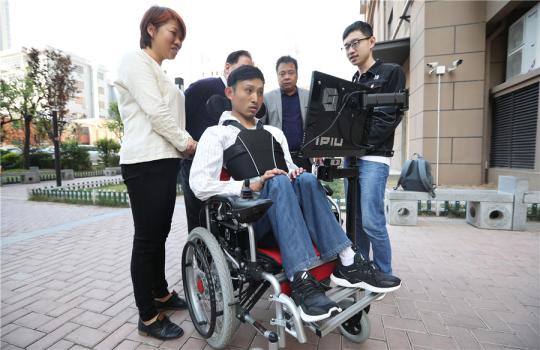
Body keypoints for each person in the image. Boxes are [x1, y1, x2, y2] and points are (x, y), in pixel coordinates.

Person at [189, 65, 401, 323]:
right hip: (252, 223)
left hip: (290, 214)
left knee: (306, 178)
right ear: (230, 92)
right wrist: (249, 184)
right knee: (277, 182)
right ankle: (301, 278)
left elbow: (289, 170)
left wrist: (294, 173)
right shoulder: (217, 134)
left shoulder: (274, 133)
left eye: (259, 91)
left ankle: (348, 261)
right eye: (248, 91)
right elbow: (199, 185)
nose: (256, 98)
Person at [115, 6, 197, 340]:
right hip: (144, 161)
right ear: (151, 29)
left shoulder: (159, 71)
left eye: (181, 37)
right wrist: (187, 143)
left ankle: (161, 292)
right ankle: (148, 316)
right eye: (172, 33)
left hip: (163, 160)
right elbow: (156, 112)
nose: (178, 41)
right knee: (147, 239)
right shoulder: (135, 61)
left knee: (159, 233)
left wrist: (180, 146)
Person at [342, 21, 406, 275]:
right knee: (355, 222)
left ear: (372, 41)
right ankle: (362, 268)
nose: (350, 50)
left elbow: (389, 118)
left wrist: (358, 143)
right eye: (346, 46)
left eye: (355, 43)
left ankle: (384, 272)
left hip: (374, 158)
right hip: (352, 159)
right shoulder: (353, 80)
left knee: (372, 220)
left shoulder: (391, 72)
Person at [180, 50, 254, 232]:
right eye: (244, 68)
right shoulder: (202, 88)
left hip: (232, 169)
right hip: (198, 164)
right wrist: (187, 142)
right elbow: (178, 117)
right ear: (227, 68)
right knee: (199, 221)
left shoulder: (243, 98)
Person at [263, 56, 311, 170]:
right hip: (278, 159)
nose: (287, 77)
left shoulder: (309, 96)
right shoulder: (267, 98)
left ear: (297, 74)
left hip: (304, 158)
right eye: (282, 73)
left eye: (291, 72)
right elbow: (260, 128)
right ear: (277, 76)